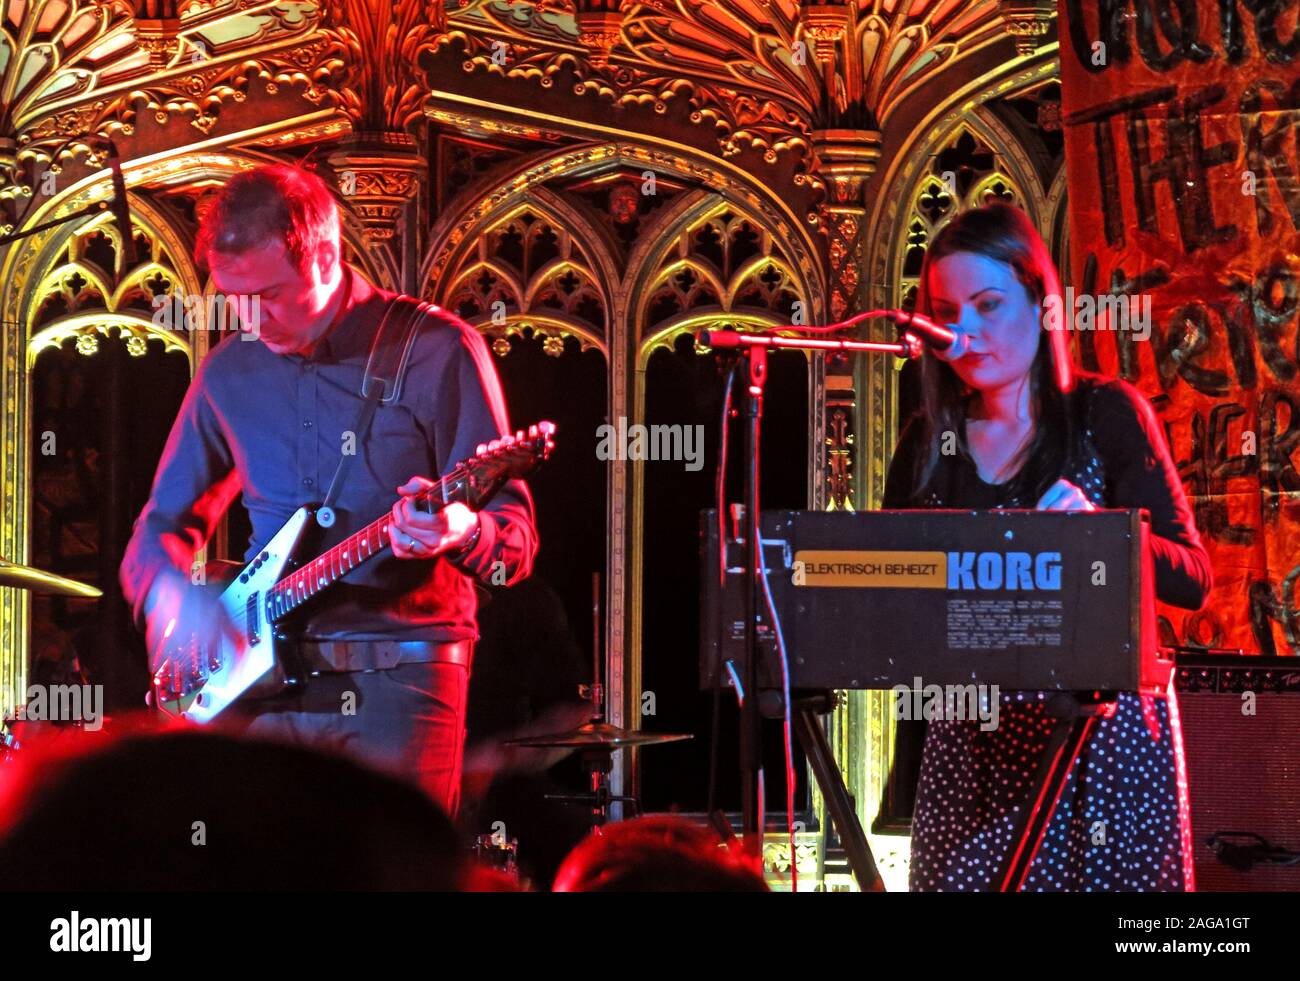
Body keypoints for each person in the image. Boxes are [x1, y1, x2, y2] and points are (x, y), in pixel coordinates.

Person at [119, 163, 538, 816]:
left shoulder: (437, 350)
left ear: (325, 256)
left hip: (401, 681)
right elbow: (161, 527)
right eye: (233, 298)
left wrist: (461, 530)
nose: (250, 319)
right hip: (257, 690)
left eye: (268, 296)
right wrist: (173, 606)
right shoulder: (230, 369)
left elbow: (513, 545)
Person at [882, 202, 1212, 892]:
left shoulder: (1105, 413)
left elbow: (1192, 576)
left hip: (1102, 745)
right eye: (947, 313)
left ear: (1040, 302)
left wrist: (1103, 532)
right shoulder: (924, 445)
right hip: (972, 747)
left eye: (989, 304)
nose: (965, 332)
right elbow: (895, 606)